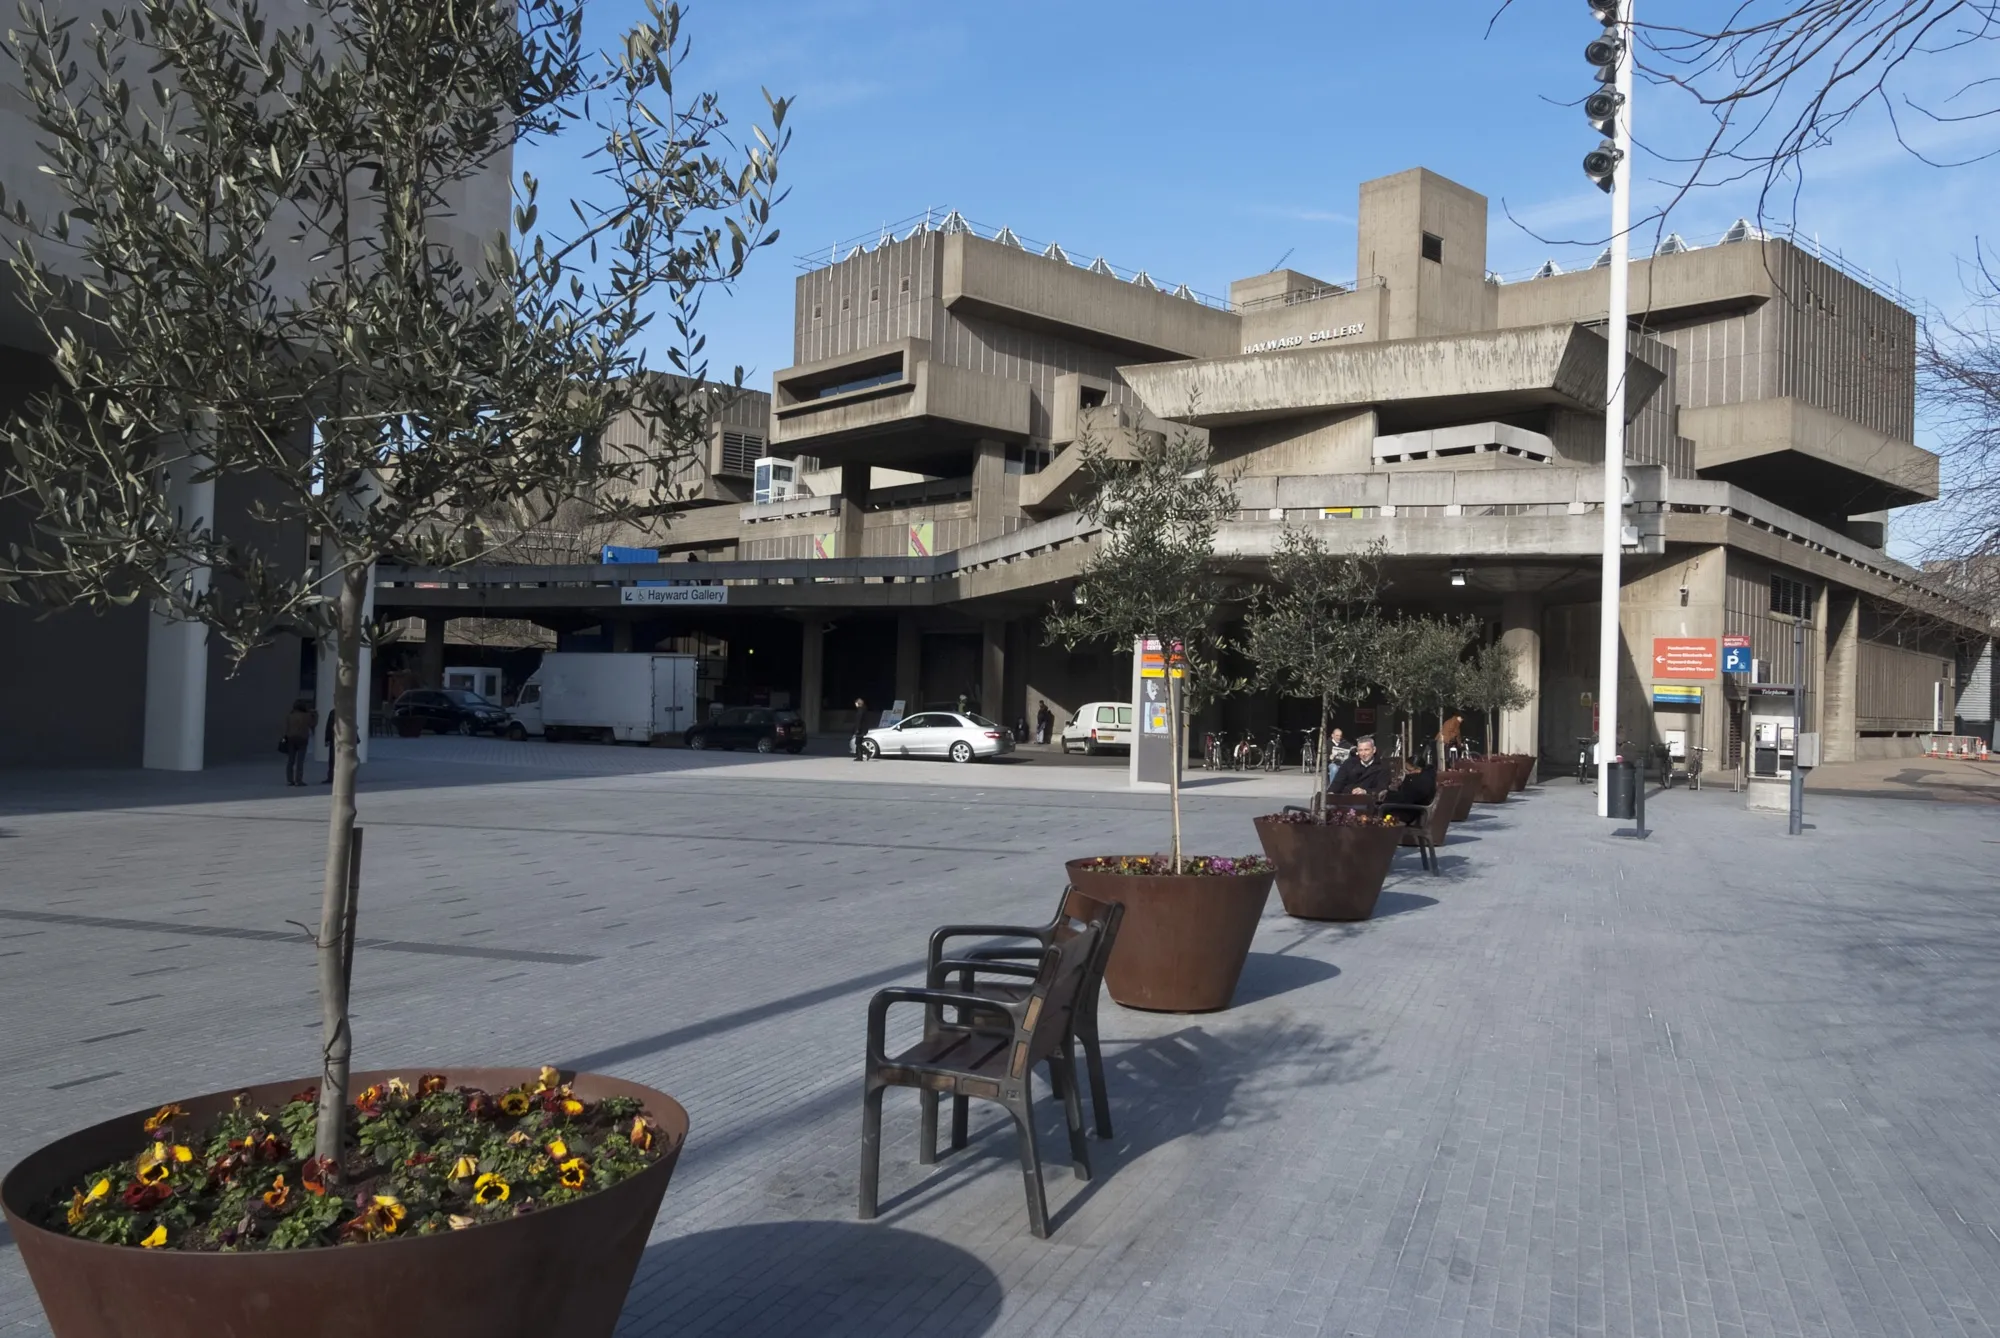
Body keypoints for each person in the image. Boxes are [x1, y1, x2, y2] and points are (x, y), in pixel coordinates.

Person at [1383, 760, 1438, 824]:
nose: (1406, 773)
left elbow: (1407, 797)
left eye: (1409, 770)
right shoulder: (1428, 778)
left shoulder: (1419, 781)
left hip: (1410, 813)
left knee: (1379, 810)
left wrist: (1389, 795)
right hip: (1417, 811)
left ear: (1418, 769)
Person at [282, 697, 315, 786]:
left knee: (290, 760)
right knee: (300, 761)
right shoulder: (307, 716)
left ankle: (290, 780)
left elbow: (287, 727)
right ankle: (298, 780)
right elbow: (312, 725)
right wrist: (314, 715)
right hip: (302, 738)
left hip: (291, 738)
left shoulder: (290, 715)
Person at [850, 696, 870, 761]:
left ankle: (867, 752)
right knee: (859, 743)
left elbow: (858, 720)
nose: (855, 704)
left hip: (860, 729)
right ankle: (860, 757)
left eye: (856, 703)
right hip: (863, 729)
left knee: (858, 743)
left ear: (858, 703)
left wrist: (857, 729)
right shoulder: (863, 709)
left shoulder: (860, 710)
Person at [321, 707, 337, 784]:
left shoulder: (333, 712)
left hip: (334, 738)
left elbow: (329, 726)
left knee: (332, 759)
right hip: (340, 738)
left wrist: (327, 739)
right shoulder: (347, 711)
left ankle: (331, 776)